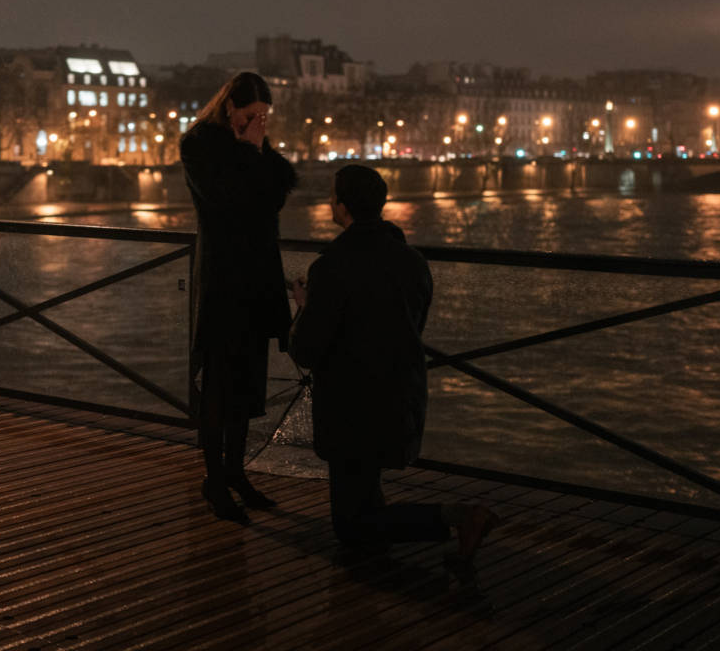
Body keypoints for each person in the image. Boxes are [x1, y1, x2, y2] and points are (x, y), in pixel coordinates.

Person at [289, 164, 499, 560]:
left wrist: (304, 308)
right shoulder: (413, 261)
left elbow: (306, 349)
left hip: (351, 406)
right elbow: (410, 326)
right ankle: (430, 528)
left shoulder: (332, 265)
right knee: (364, 499)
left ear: (343, 206)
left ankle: (456, 516)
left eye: (333, 195)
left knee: (350, 525)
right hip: (400, 396)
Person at [180, 71, 298, 521]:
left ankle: (235, 471)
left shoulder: (256, 149)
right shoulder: (199, 145)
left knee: (249, 382)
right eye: (252, 115)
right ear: (229, 105)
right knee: (217, 387)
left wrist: (256, 153)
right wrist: (250, 152)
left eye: (265, 117)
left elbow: (273, 200)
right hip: (224, 279)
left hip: (256, 278)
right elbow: (223, 199)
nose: (259, 123)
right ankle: (215, 479)